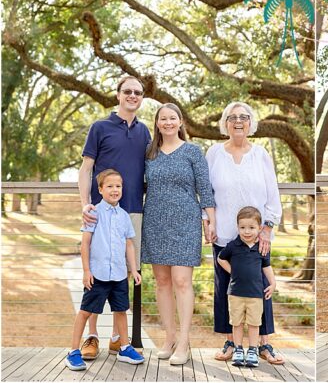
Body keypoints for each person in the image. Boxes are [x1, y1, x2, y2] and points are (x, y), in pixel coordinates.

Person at [207, 101, 286, 365]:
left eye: (244, 117)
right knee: (227, 291)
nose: (238, 121)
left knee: (261, 288)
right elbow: (206, 193)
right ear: (225, 123)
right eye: (232, 117)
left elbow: (272, 194)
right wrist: (207, 221)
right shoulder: (214, 153)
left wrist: (268, 227)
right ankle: (232, 343)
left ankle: (263, 344)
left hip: (258, 237)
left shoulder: (261, 154)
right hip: (226, 237)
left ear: (251, 123)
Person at [78, 76, 150, 361]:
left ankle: (119, 339)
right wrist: (85, 204)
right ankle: (91, 336)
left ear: (142, 98)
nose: (132, 95)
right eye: (127, 91)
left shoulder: (145, 131)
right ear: (118, 95)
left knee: (123, 273)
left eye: (138, 92)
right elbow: (86, 169)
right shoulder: (100, 127)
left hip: (132, 211)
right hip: (101, 212)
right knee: (96, 271)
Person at [140, 103, 216, 366]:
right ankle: (169, 338)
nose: (168, 122)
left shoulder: (193, 152)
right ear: (157, 123)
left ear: (181, 122)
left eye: (173, 118)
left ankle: (184, 341)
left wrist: (210, 220)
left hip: (186, 222)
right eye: (163, 119)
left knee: (182, 281)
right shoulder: (149, 153)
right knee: (162, 281)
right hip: (155, 221)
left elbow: (205, 189)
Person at [65, 170, 145, 371]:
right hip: (98, 274)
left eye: (118, 186)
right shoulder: (93, 213)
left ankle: (124, 348)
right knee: (85, 311)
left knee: (121, 310)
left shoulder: (124, 216)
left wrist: (134, 270)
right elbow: (85, 244)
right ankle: (73, 351)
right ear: (100, 190)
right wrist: (86, 271)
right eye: (109, 186)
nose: (114, 190)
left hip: (118, 274)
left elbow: (129, 245)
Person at [216, 206, 276, 369]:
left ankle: (252, 350)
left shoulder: (261, 248)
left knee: (254, 323)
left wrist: (273, 283)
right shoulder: (233, 246)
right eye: (242, 227)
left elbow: (266, 267)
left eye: (251, 227)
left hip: (256, 294)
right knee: (237, 323)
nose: (247, 231)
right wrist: (233, 271)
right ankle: (238, 349)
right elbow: (221, 259)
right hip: (235, 293)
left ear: (259, 228)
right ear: (237, 227)